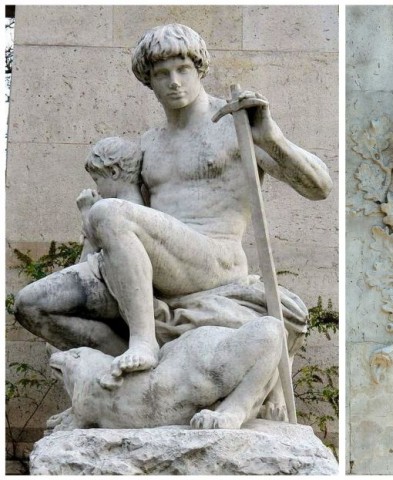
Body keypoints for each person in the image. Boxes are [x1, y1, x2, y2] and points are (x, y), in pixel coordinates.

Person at [14, 24, 332, 385]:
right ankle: (140, 379)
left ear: (200, 70)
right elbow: (132, 220)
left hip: (214, 258)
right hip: (160, 265)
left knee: (109, 212)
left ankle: (144, 341)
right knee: (33, 304)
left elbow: (319, 187)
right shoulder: (149, 144)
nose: (174, 82)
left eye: (183, 70)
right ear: (149, 82)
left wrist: (271, 137)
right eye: (162, 74)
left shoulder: (235, 125)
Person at [76, 137, 145, 259]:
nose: (98, 190)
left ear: (114, 172)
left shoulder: (118, 211)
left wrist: (87, 213)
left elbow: (85, 264)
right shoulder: (138, 208)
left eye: (97, 180)